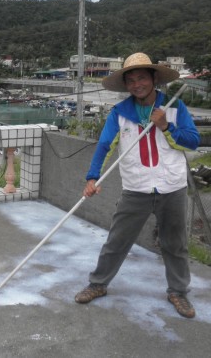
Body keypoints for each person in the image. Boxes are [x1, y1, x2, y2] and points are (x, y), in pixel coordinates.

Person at [75, 53, 200, 318]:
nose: (136, 84)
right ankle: (98, 284)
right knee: (117, 241)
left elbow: (192, 142)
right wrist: (92, 177)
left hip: (172, 188)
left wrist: (166, 127)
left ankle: (178, 292)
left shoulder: (175, 108)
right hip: (136, 188)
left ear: (154, 78)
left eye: (142, 77)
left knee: (175, 244)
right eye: (130, 80)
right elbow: (104, 146)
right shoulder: (120, 113)